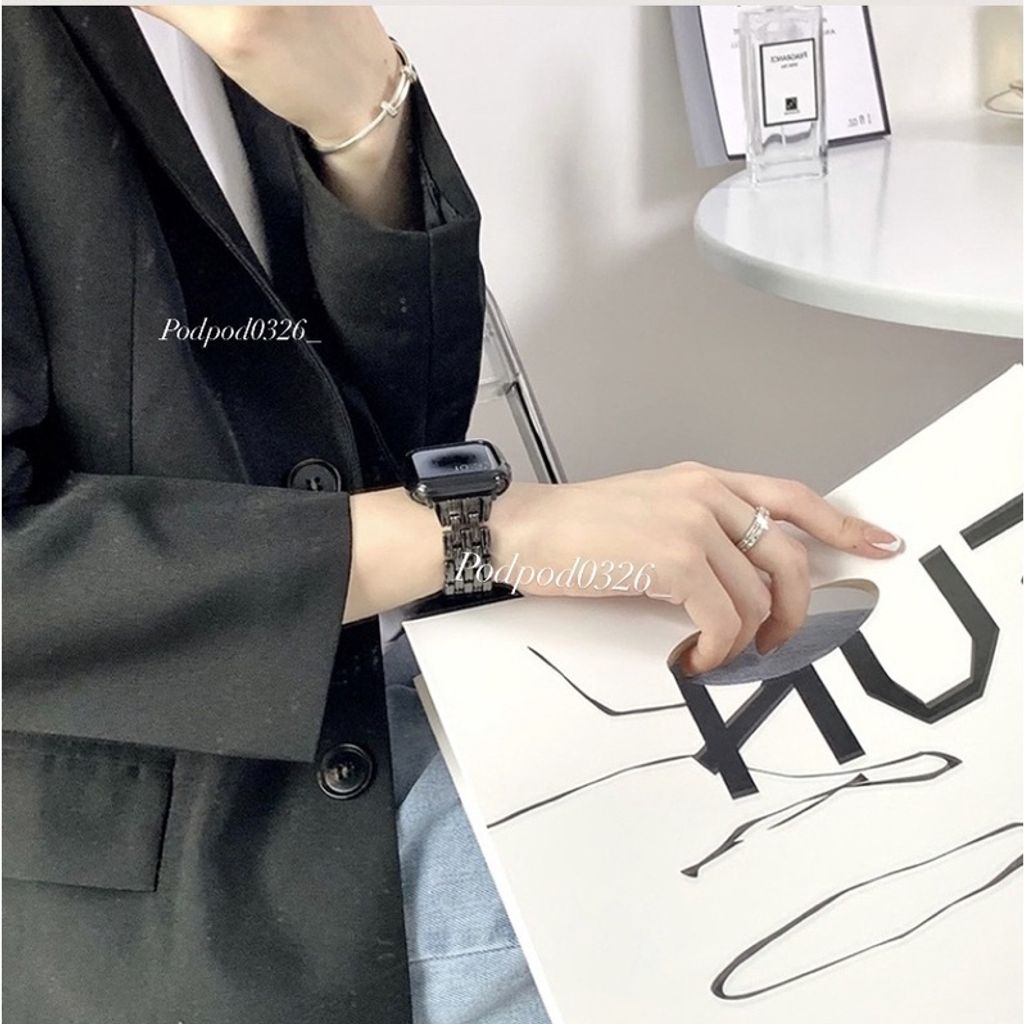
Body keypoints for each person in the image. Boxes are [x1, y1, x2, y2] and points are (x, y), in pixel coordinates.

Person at [1, 7, 903, 1023]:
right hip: (186, 860)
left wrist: (361, 123)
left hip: (414, 677)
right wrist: (485, 529)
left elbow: (404, 434)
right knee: (869, 855)